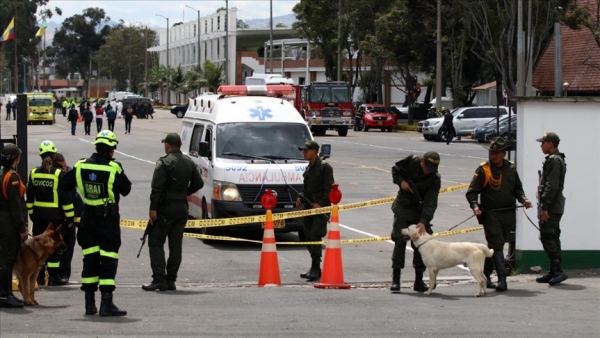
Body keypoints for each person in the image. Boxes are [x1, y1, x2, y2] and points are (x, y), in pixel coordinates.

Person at [60, 130, 131, 316]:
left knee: (90, 259)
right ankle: (106, 304)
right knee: (108, 259)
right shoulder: (114, 167)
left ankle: (89, 304)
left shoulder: (81, 165)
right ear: (111, 150)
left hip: (88, 218)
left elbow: (64, 184)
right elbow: (126, 190)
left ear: (96, 146)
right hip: (108, 220)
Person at [465, 137, 532, 292]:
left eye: (496, 153)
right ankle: (502, 279)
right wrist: (475, 206)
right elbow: (472, 192)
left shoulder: (511, 168)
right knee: (497, 244)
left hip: (508, 213)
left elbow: (517, 189)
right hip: (490, 213)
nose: (493, 155)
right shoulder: (483, 170)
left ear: (504, 153)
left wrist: (524, 199)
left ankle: (486, 276)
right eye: (491, 152)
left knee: (495, 245)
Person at [142, 133, 204, 291]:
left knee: (155, 242)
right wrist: (185, 192)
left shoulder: (164, 162)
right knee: (176, 246)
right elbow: (199, 182)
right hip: (182, 208)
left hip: (165, 209)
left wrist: (153, 208)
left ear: (168, 146)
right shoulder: (189, 162)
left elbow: (157, 188)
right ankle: (171, 280)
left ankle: (159, 278)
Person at [389, 151, 441, 293]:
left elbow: (431, 202)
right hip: (403, 208)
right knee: (399, 240)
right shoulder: (411, 162)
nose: (429, 171)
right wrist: (402, 182)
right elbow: (395, 170)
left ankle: (419, 280)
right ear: (422, 161)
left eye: (432, 168)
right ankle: (396, 279)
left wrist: (423, 221)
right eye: (427, 167)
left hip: (419, 211)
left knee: (421, 244)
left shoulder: (435, 179)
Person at [26, 141, 75, 286]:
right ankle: (54, 277)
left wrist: (32, 214)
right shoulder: (58, 174)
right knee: (54, 247)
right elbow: (65, 197)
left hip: (39, 217)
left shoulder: (34, 172)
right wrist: (70, 217)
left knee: (38, 247)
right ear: (54, 156)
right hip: (56, 217)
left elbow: (30, 197)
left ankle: (39, 276)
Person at [295, 141, 334, 282]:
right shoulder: (309, 167)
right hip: (308, 208)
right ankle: (314, 267)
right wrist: (301, 197)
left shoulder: (325, 168)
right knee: (307, 237)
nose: (304, 153)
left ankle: (316, 268)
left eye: (306, 150)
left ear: (315, 151)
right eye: (303, 150)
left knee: (315, 237)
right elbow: (307, 189)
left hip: (319, 209)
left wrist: (321, 204)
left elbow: (329, 189)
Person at [535, 132, 568, 285]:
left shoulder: (554, 160)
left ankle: (558, 270)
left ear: (551, 144)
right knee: (552, 235)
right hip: (554, 205)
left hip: (552, 206)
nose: (541, 145)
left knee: (547, 235)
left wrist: (545, 207)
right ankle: (554, 271)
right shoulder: (555, 159)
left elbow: (552, 185)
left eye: (543, 142)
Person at [0, 144, 28, 308]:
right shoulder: (12, 177)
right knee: (7, 259)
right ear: (15, 159)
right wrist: (22, 228)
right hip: (8, 221)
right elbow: (15, 206)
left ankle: (7, 293)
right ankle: (4, 295)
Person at [53, 153, 83, 283]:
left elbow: (74, 197)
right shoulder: (57, 177)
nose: (64, 169)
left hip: (71, 218)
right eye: (62, 167)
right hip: (60, 218)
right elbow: (65, 199)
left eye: (65, 166)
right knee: (57, 247)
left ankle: (64, 274)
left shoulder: (69, 172)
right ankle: (55, 275)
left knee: (68, 246)